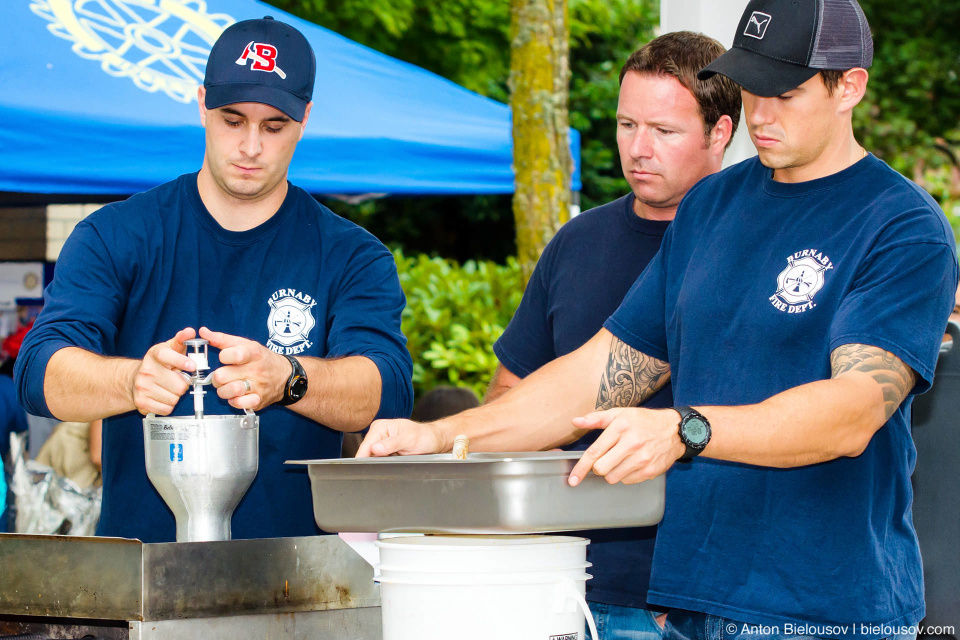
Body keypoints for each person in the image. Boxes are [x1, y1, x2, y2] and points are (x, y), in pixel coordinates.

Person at [358, 0, 958, 637]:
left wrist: (686, 429)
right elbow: (603, 371)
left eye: (784, 92)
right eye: (752, 87)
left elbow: (852, 412)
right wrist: (445, 438)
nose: (759, 114)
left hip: (826, 609)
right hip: (693, 598)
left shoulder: (901, 225)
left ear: (850, 88)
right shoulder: (711, 206)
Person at [15, 16, 413, 543]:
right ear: (201, 103)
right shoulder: (116, 235)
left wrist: (288, 377)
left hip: (299, 583)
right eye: (232, 119)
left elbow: (387, 393)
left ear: (305, 119)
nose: (251, 146)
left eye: (274, 126)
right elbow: (39, 370)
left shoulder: (351, 255)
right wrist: (133, 381)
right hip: (140, 579)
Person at [485, 32, 740, 640]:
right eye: (627, 125)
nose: (638, 148)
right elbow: (507, 401)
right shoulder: (577, 244)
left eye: (665, 131)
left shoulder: (759, 247)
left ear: (721, 133)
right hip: (588, 588)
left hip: (731, 592)